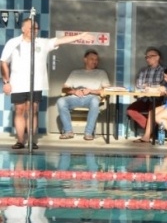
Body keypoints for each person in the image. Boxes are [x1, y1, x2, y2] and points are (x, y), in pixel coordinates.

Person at [0, 18, 94, 149]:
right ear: (23, 29)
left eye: (37, 28)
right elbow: (3, 61)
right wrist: (6, 82)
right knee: (20, 110)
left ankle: (32, 140)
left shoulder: (42, 43)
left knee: (33, 110)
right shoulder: (13, 42)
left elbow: (61, 40)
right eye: (32, 28)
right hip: (17, 83)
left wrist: (80, 36)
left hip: (36, 83)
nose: (35, 30)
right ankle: (20, 140)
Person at [56, 48, 111, 141]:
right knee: (61, 101)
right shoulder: (75, 72)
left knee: (94, 101)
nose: (95, 62)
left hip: (91, 97)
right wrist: (74, 91)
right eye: (92, 59)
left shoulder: (101, 73)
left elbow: (107, 89)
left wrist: (90, 91)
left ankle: (88, 133)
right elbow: (64, 88)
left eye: (96, 60)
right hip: (75, 97)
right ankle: (68, 131)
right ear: (85, 60)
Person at [127, 47, 165, 133]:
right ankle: (152, 130)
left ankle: (149, 132)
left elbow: (164, 87)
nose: (148, 59)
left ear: (157, 57)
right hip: (144, 99)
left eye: (150, 56)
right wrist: (152, 87)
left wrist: (150, 87)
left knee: (152, 111)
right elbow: (139, 85)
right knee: (130, 110)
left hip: (158, 100)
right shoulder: (143, 71)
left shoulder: (164, 71)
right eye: (146, 57)